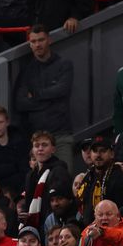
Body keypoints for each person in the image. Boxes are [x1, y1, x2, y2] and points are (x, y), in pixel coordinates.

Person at [14, 24, 75, 169]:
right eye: (33, 41)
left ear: (49, 40)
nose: (37, 45)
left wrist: (35, 95)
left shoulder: (64, 64)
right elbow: (20, 103)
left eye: (40, 40)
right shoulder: (26, 71)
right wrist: (49, 100)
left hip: (60, 135)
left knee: (64, 181)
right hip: (35, 138)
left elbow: (62, 90)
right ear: (29, 44)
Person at [20, 131, 72, 229]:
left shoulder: (59, 170)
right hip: (35, 227)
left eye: (44, 145)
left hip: (53, 226)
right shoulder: (30, 175)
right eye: (36, 145)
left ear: (53, 149)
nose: (40, 149)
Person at [76, 135, 123, 224]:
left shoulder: (120, 176)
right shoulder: (88, 176)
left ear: (112, 154)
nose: (98, 155)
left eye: (103, 151)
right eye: (95, 151)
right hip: (89, 230)